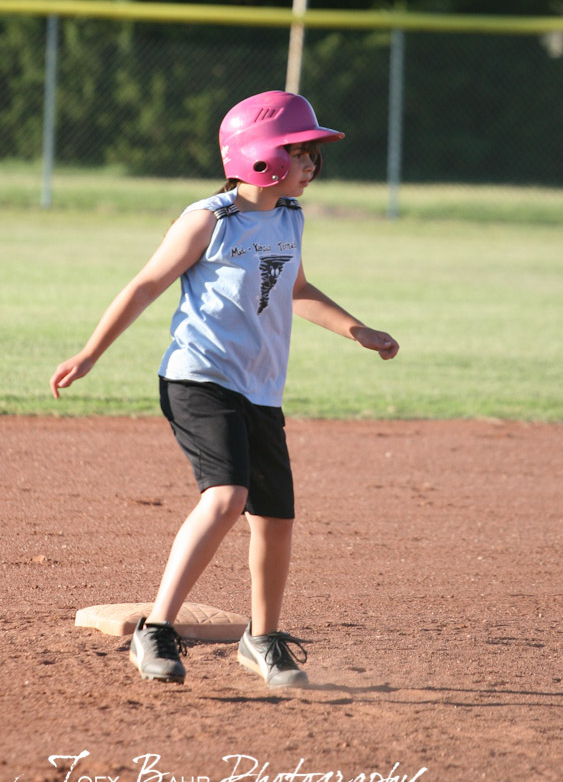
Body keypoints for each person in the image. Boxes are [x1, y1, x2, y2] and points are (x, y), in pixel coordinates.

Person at [50, 90, 399, 689]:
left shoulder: (289, 217)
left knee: (275, 518)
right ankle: (156, 629)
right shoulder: (209, 220)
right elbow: (145, 285)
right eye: (300, 152)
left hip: (260, 390)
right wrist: (90, 353)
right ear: (259, 156)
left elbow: (296, 290)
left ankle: (262, 640)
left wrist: (357, 330)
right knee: (227, 496)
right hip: (199, 378)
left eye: (313, 154)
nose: (312, 165)